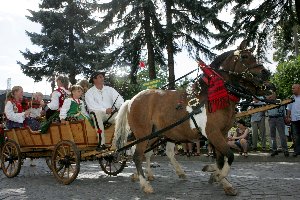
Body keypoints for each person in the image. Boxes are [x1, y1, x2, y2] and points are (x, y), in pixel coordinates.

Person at [85, 71, 124, 150]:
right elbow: (92, 106)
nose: (103, 78)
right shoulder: (89, 93)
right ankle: (101, 143)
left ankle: (118, 142)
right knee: (96, 114)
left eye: (103, 76)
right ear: (94, 79)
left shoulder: (110, 89)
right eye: (100, 77)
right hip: (99, 114)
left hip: (110, 114)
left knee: (121, 118)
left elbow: (120, 100)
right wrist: (105, 110)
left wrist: (118, 107)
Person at [266, 91, 289, 157]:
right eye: (269, 95)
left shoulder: (279, 101)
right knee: (272, 136)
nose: (270, 96)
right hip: (271, 118)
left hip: (279, 118)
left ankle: (285, 150)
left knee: (282, 135)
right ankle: (274, 150)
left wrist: (285, 118)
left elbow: (283, 110)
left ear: (275, 95)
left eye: (272, 95)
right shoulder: (267, 102)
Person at [286, 84, 300, 157]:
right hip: (294, 119)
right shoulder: (291, 98)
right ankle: (296, 151)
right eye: (292, 88)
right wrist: (288, 117)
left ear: (298, 88)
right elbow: (289, 108)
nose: (292, 89)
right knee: (295, 136)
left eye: (293, 88)